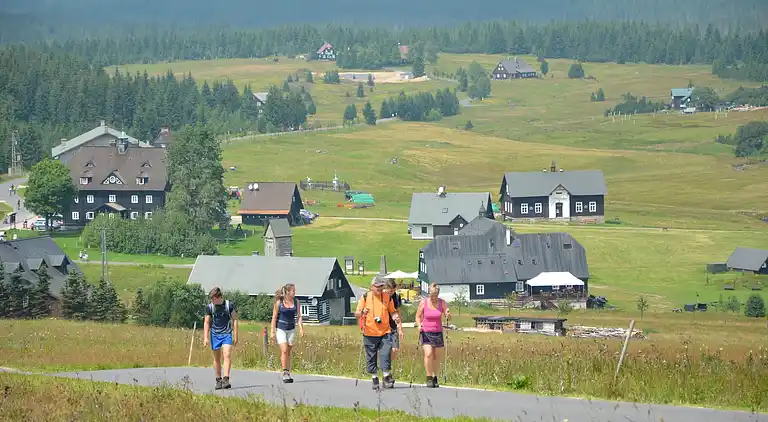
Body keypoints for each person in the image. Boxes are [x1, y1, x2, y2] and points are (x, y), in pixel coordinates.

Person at [354, 277, 400, 390]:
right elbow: (357, 313)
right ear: (372, 287)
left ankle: (386, 376)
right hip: (369, 332)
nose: (380, 288)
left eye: (381, 286)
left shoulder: (387, 297)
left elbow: (392, 311)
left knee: (386, 353)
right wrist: (362, 312)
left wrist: (395, 317)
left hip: (385, 332)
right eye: (377, 286)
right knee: (371, 356)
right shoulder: (365, 297)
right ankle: (374, 378)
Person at [415, 283, 450, 388]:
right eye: (431, 295)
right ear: (429, 293)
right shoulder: (423, 303)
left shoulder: (442, 303)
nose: (433, 297)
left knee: (436, 357)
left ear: (438, 294)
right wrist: (418, 325)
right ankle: (429, 377)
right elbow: (417, 316)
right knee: (429, 354)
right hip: (426, 332)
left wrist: (448, 314)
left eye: (435, 295)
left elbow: (448, 316)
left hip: (438, 332)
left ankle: (435, 377)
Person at [203, 287, 238, 390]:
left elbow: (235, 319)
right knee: (217, 358)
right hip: (215, 334)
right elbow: (206, 322)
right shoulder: (210, 307)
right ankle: (218, 380)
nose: (212, 301)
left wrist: (236, 336)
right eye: (211, 299)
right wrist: (205, 337)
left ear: (219, 297)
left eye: (213, 299)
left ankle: (226, 379)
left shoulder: (229, 305)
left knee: (226, 355)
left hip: (227, 333)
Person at [270, 283, 304, 383]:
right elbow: (274, 317)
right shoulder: (279, 302)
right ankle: (285, 372)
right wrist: (272, 331)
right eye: (293, 291)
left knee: (288, 351)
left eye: (295, 291)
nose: (294, 293)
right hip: (281, 329)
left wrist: (301, 328)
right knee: (284, 350)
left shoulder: (296, 302)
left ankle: (288, 371)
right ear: (288, 292)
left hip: (291, 329)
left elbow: (299, 316)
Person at [383, 279, 404, 366]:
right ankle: (385, 367)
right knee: (385, 349)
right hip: (383, 325)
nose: (392, 293)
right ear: (386, 288)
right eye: (390, 291)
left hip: (393, 324)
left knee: (395, 349)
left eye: (393, 291)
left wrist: (400, 328)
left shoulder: (396, 296)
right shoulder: (381, 296)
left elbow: (398, 312)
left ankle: (387, 365)